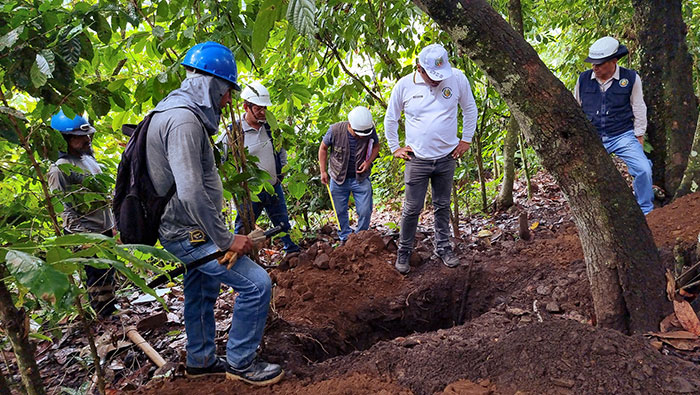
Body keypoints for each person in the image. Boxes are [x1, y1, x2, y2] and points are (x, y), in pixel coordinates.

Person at [145, 42, 283, 386]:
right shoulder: (183, 122)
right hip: (187, 231)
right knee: (257, 285)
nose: (228, 101)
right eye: (226, 93)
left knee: (201, 288)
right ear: (212, 84)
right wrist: (226, 239)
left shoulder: (174, 112)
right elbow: (191, 191)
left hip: (184, 226)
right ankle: (240, 362)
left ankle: (201, 359)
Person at [384, 43, 478, 275]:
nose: (437, 81)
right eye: (431, 76)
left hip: (447, 157)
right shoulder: (404, 85)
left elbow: (469, 108)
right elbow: (391, 118)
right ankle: (404, 252)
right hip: (418, 159)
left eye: (440, 76)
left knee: (442, 205)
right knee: (412, 208)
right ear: (419, 69)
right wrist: (395, 147)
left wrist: (466, 139)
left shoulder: (457, 78)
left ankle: (443, 248)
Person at [47, 110, 117, 318]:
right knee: (96, 277)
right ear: (64, 139)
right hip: (87, 233)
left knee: (108, 273)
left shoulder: (87, 158)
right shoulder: (59, 169)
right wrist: (84, 237)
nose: (87, 139)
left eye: (86, 135)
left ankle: (110, 311)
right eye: (80, 136)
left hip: (104, 228)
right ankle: (105, 317)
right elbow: (63, 208)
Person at [574, 36, 653, 215]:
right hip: (592, 135)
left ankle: (646, 211)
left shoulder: (631, 78)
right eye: (593, 63)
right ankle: (596, 212)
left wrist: (639, 136)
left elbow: (639, 108)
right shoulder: (583, 79)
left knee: (643, 169)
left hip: (622, 135)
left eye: (600, 64)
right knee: (586, 174)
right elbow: (576, 107)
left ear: (613, 61)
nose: (595, 67)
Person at [224, 81, 300, 254]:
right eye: (258, 108)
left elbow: (280, 152)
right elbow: (224, 160)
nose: (263, 112)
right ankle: (239, 259)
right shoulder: (234, 132)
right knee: (243, 227)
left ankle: (292, 252)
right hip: (249, 191)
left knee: (282, 223)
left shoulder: (271, 128)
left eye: (265, 108)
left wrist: (280, 175)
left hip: (273, 186)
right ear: (246, 107)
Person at [318, 106, 380, 243]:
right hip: (338, 177)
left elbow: (376, 145)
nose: (360, 136)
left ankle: (359, 238)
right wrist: (323, 171)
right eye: (357, 133)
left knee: (365, 210)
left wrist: (368, 162)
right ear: (350, 125)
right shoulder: (335, 130)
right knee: (340, 211)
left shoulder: (368, 129)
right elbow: (323, 148)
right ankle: (345, 238)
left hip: (360, 178)